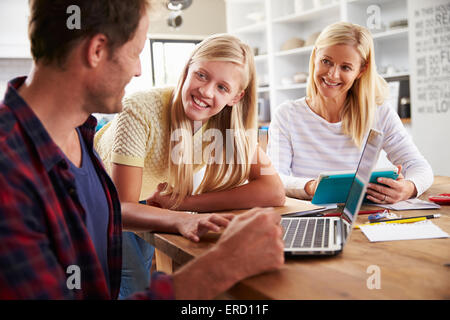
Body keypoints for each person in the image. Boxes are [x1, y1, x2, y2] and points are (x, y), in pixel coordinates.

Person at [0, 0, 284, 299]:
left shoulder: (78, 137)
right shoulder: (11, 172)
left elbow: (112, 218)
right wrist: (221, 266)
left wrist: (183, 214)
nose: (138, 70)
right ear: (97, 50)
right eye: (136, 53)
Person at [94, 34, 285, 297]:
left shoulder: (225, 124)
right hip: (102, 200)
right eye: (202, 75)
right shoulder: (139, 110)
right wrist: (181, 217)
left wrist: (183, 203)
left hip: (147, 200)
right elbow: (121, 207)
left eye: (222, 87)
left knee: (148, 275)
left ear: (235, 97)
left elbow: (273, 190)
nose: (206, 92)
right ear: (187, 69)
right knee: (133, 277)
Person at [267, 21, 433, 204]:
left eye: (345, 67)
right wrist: (312, 186)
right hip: (308, 215)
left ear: (361, 70)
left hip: (362, 215)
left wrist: (408, 188)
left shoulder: (379, 113)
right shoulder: (287, 115)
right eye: (326, 61)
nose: (332, 74)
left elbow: (419, 167)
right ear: (315, 56)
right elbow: (274, 179)